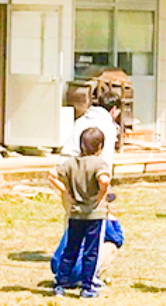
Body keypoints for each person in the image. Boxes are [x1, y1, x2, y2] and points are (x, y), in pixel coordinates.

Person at [47, 127, 112, 298]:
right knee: (91, 251)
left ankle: (60, 284)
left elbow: (52, 174)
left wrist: (66, 191)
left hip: (75, 213)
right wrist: (101, 194)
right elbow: (104, 180)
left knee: (71, 248)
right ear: (101, 146)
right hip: (94, 214)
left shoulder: (71, 163)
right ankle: (87, 287)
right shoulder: (99, 163)